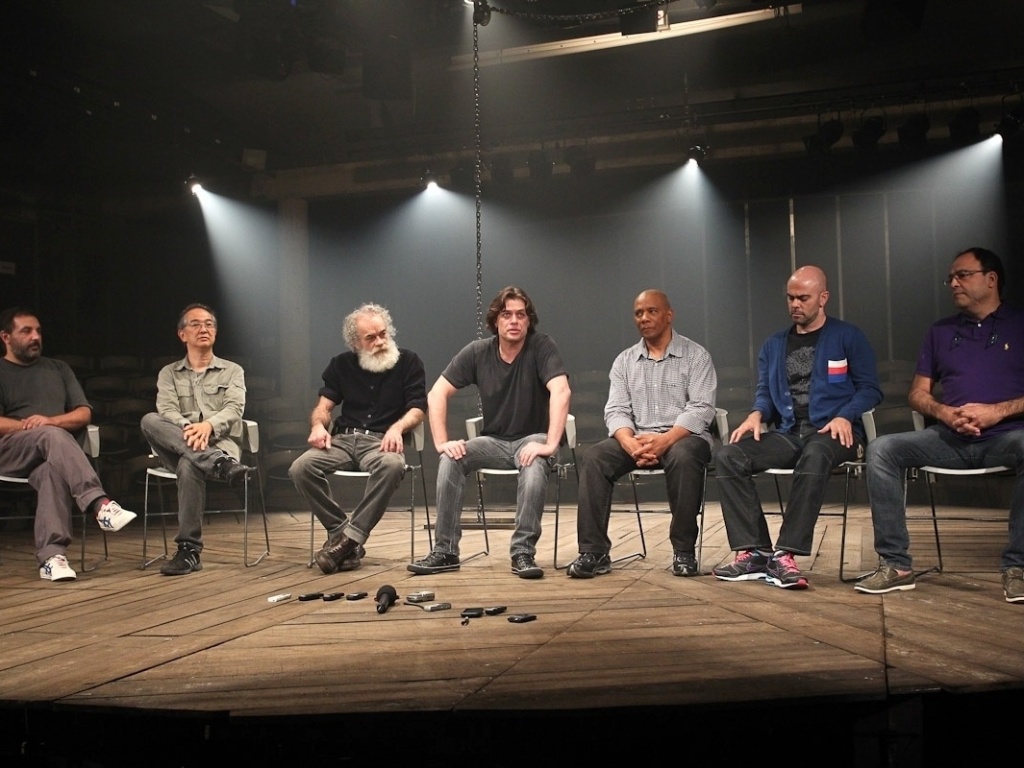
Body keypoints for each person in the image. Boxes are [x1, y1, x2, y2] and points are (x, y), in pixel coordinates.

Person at [857, 247, 1024, 602]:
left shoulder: (1020, 325)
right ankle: (896, 564)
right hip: (949, 438)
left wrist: (997, 411)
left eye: (962, 275)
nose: (953, 283)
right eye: (950, 277)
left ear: (990, 279)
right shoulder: (941, 331)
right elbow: (918, 394)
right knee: (882, 448)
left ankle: (1017, 567)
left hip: (1008, 436)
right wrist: (946, 413)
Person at [713, 266, 882, 589]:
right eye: (790, 297)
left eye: (803, 298)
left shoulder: (848, 337)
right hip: (790, 433)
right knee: (729, 456)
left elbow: (870, 389)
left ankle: (786, 554)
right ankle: (757, 552)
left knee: (816, 452)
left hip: (834, 433)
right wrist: (757, 413)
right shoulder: (773, 345)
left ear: (823, 298)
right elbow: (765, 391)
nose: (795, 304)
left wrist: (846, 415)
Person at [408, 286, 570, 579]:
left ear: (528, 320)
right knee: (450, 459)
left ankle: (522, 552)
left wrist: (550, 444)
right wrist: (442, 442)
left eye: (521, 315)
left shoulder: (542, 346)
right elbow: (436, 394)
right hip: (494, 441)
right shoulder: (478, 351)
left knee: (533, 463)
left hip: (532, 438)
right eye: (506, 314)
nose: (514, 321)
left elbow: (560, 390)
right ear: (496, 320)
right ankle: (445, 551)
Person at [566, 289, 717, 579]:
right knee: (595, 457)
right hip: (637, 440)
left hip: (682, 439)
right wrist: (629, 442)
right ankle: (594, 551)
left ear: (669, 315)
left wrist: (665, 440)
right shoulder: (624, 361)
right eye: (638, 313)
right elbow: (616, 410)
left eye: (652, 311)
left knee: (685, 456)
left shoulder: (696, 356)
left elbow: (701, 408)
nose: (644, 318)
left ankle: (683, 551)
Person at [0, 307, 136, 582]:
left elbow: (84, 413)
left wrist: (50, 421)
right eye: (26, 331)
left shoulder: (58, 368)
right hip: (9, 452)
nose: (35, 336)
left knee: (52, 471)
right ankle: (100, 505)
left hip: (52, 453)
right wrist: (36, 425)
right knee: (51, 434)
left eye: (38, 331)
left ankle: (52, 557)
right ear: (5, 337)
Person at [289, 303, 426, 574]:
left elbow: (418, 408)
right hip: (343, 440)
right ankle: (344, 536)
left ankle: (347, 542)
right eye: (370, 338)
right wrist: (318, 426)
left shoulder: (409, 362)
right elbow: (323, 408)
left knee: (393, 465)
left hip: (381, 442)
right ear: (355, 343)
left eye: (383, 334)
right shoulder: (341, 365)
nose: (380, 342)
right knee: (300, 468)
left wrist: (397, 428)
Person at [140, 303, 251, 576]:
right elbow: (166, 411)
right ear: (182, 334)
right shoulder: (168, 373)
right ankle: (220, 465)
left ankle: (189, 551)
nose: (204, 329)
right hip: (180, 444)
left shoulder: (232, 370)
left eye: (209, 324)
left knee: (189, 464)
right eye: (196, 324)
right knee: (149, 420)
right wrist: (191, 429)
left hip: (221, 442)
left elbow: (235, 409)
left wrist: (209, 426)